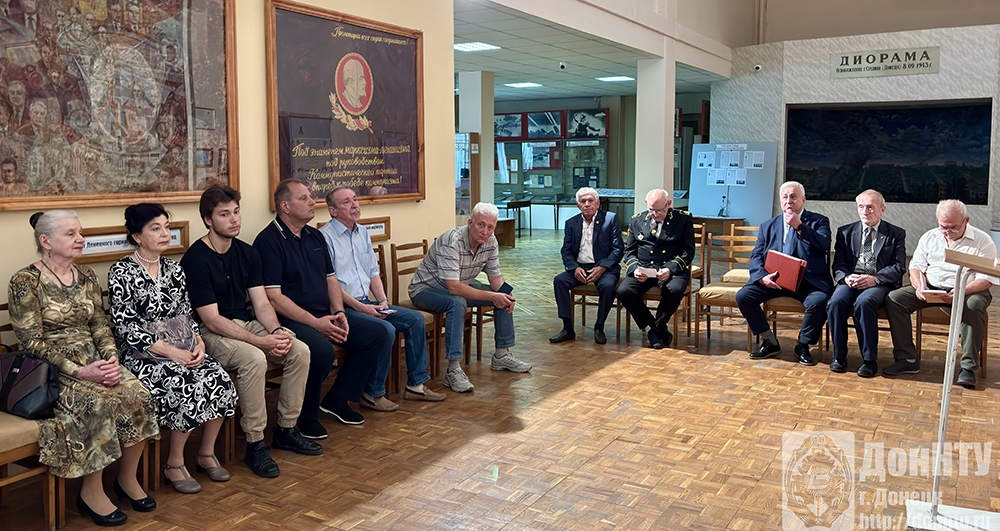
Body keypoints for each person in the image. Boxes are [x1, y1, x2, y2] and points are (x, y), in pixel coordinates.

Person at [9, 210, 159, 527]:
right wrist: (79, 372)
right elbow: (31, 342)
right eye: (71, 234)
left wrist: (111, 359)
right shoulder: (25, 281)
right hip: (53, 369)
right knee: (98, 402)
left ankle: (126, 479)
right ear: (45, 241)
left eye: (80, 232)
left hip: (95, 358)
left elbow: (100, 325)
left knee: (138, 394)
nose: (81, 239)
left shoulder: (87, 275)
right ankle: (91, 492)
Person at [181, 185, 321, 479]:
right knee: (254, 359)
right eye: (224, 214)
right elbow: (212, 320)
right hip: (210, 333)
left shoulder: (247, 252)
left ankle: (286, 429)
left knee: (299, 349)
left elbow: (261, 303)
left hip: (247, 323)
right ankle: (255, 443)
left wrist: (277, 331)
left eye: (236, 212)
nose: (233, 219)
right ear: (208, 220)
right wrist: (261, 342)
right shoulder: (196, 259)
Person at [108, 203, 238, 494]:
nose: (165, 233)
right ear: (137, 236)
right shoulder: (121, 271)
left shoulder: (174, 269)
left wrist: (198, 341)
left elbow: (186, 313)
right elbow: (125, 326)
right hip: (142, 355)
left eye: (166, 227)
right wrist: (170, 352)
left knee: (218, 377)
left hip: (181, 347)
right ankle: (174, 463)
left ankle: (205, 453)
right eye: (155, 228)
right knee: (186, 384)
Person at [253, 178, 386, 440]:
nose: (312, 201)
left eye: (310, 196)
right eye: (303, 198)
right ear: (285, 206)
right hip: (290, 319)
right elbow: (274, 298)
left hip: (325, 313)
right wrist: (316, 323)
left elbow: (331, 279)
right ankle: (306, 416)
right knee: (322, 350)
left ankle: (338, 398)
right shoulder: (268, 241)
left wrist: (339, 313)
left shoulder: (315, 235)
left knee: (377, 334)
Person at [320, 186, 446, 406]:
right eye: (347, 202)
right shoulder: (324, 237)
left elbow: (373, 273)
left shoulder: (362, 232)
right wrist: (363, 308)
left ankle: (415, 386)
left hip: (367, 302)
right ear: (333, 210)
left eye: (355, 199)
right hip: (344, 308)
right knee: (385, 329)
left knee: (415, 319)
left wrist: (383, 301)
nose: (354, 205)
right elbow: (331, 285)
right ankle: (373, 393)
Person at [408, 202, 530, 393]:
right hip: (425, 290)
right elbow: (454, 287)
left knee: (504, 295)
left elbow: (495, 278)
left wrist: (505, 295)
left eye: (490, 227)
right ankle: (453, 370)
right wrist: (493, 295)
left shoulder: (491, 242)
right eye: (481, 225)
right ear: (470, 222)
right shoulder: (452, 240)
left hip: (460, 286)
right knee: (457, 302)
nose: (485, 231)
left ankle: (501, 355)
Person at [885, 199, 997, 388]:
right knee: (895, 299)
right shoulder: (930, 236)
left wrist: (961, 291)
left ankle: (968, 367)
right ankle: (907, 358)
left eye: (953, 227)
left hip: (970, 289)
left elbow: (986, 279)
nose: (947, 232)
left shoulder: (982, 240)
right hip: (932, 286)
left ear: (966, 221)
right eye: (943, 226)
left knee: (974, 305)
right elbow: (915, 267)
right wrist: (920, 286)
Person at [736, 181, 833, 365]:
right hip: (775, 280)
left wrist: (800, 227)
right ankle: (769, 341)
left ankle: (803, 345)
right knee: (744, 296)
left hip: (807, 282)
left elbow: (824, 244)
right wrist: (762, 277)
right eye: (785, 197)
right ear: (780, 201)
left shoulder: (819, 221)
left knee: (820, 301)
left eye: (794, 197)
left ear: (803, 200)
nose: (789, 201)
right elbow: (756, 254)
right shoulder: (768, 225)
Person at [827, 190, 906, 377]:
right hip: (852, 280)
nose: (865, 211)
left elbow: (899, 266)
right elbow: (838, 264)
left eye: (870, 207)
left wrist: (875, 279)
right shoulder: (845, 232)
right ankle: (839, 356)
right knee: (835, 302)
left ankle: (869, 360)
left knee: (864, 303)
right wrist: (846, 278)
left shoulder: (895, 233)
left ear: (882, 209)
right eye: (861, 207)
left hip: (878, 282)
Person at [616, 188, 695, 349]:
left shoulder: (682, 219)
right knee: (623, 291)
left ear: (669, 204)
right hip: (644, 269)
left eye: (660, 210)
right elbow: (629, 251)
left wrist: (670, 269)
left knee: (674, 290)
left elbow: (688, 251)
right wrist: (635, 269)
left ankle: (655, 331)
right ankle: (656, 328)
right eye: (652, 210)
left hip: (671, 269)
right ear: (646, 204)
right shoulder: (637, 220)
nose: (656, 214)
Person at [550, 187, 623, 345]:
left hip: (604, 268)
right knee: (559, 281)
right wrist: (574, 268)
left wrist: (602, 267)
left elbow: (618, 249)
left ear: (597, 203)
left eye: (591, 200)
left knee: (608, 286)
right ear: (578, 205)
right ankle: (567, 328)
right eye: (583, 201)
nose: (587, 204)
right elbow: (566, 251)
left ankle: (599, 327)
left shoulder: (610, 219)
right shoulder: (571, 223)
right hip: (580, 267)